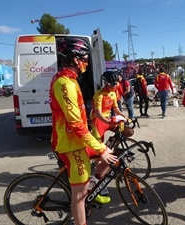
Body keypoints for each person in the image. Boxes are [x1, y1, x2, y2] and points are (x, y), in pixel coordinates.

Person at [49, 37, 118, 225]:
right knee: (79, 194)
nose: (87, 61)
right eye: (85, 57)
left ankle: (94, 186)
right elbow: (75, 124)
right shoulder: (64, 83)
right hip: (69, 144)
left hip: (77, 140)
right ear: (75, 58)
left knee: (114, 156)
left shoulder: (70, 80)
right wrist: (100, 148)